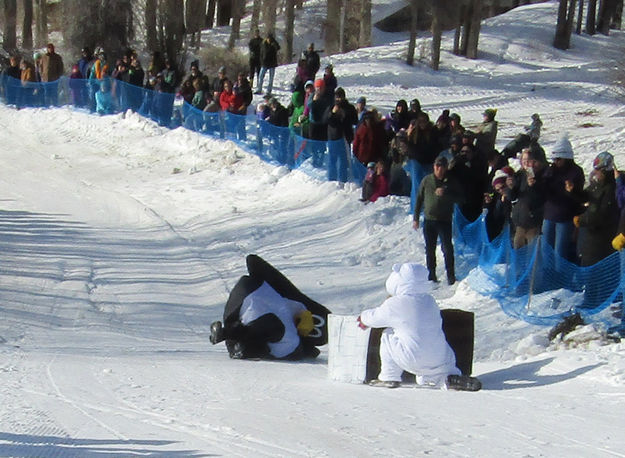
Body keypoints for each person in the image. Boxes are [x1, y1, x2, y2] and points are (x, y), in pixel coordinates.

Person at [357, 263, 481, 391]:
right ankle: (449, 379)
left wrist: (362, 318)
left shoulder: (395, 304)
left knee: (387, 334)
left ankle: (389, 377)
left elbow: (374, 317)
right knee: (435, 366)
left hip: (412, 357)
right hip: (440, 357)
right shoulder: (429, 301)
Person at [414, 156, 464, 285]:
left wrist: (446, 193)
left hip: (444, 220)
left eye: (441, 166)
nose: (439, 169)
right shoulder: (427, 180)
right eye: (437, 166)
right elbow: (419, 199)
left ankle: (451, 276)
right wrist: (416, 218)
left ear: (446, 168)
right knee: (429, 249)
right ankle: (431, 275)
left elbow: (460, 198)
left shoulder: (451, 181)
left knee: (447, 248)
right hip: (429, 220)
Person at [541, 135, 585, 263]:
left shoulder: (576, 172)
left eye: (558, 159)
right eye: (554, 159)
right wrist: (543, 180)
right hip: (549, 214)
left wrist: (571, 190)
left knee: (560, 252)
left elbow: (579, 196)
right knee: (546, 249)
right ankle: (547, 275)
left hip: (565, 217)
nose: (556, 162)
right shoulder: (551, 170)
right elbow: (543, 191)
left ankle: (560, 278)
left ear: (567, 158)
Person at [574, 151, 619, 267]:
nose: (595, 173)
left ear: (605, 170)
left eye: (598, 170)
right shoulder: (597, 184)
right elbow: (586, 195)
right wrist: (573, 191)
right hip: (590, 237)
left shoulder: (611, 189)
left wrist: (581, 220)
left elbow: (601, 214)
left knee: (597, 272)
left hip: (603, 240)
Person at [510, 147, 546, 249]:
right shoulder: (520, 174)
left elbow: (540, 197)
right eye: (524, 160)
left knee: (533, 250)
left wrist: (533, 186)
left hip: (534, 220)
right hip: (520, 220)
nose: (526, 163)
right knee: (517, 246)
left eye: (529, 160)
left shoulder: (542, 174)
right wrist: (511, 187)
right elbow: (513, 196)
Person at [323, 86, 358, 183]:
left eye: (340, 97)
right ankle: (332, 180)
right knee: (332, 159)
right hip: (333, 137)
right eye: (337, 97)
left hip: (345, 137)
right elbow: (326, 120)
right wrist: (333, 113)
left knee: (344, 160)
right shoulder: (331, 107)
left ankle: (343, 179)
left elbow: (355, 121)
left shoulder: (349, 108)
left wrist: (345, 115)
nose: (338, 99)